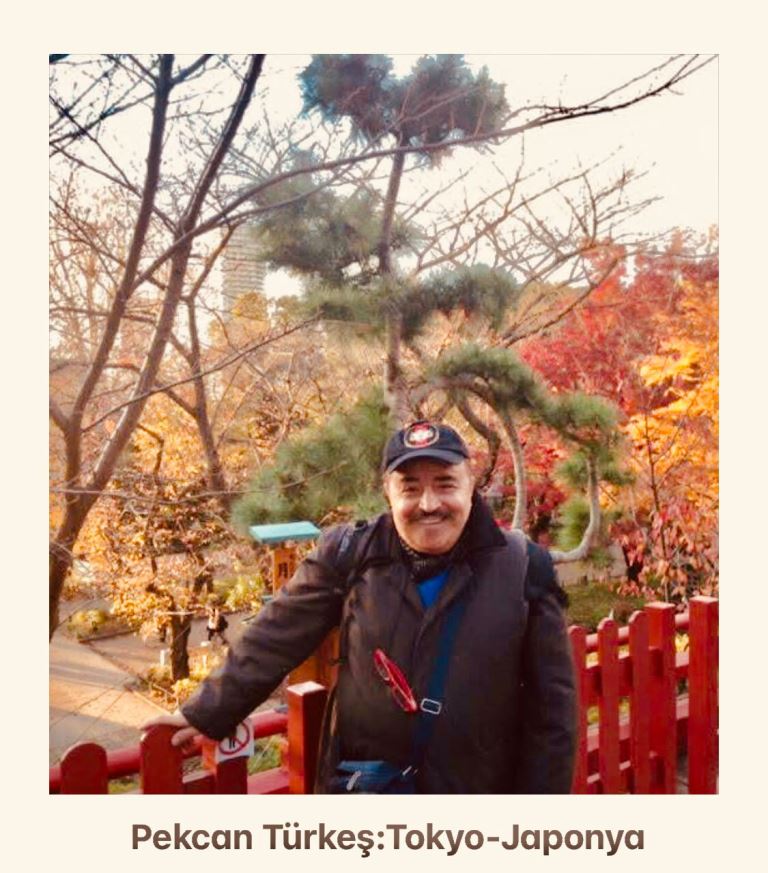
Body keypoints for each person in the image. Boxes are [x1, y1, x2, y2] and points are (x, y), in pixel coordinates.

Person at [143, 420, 576, 793]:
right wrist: (206, 710)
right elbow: (274, 637)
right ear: (388, 493)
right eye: (410, 488)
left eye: (445, 484)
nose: (428, 504)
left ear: (470, 485)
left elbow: (553, 717)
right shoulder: (351, 552)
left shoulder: (521, 566)